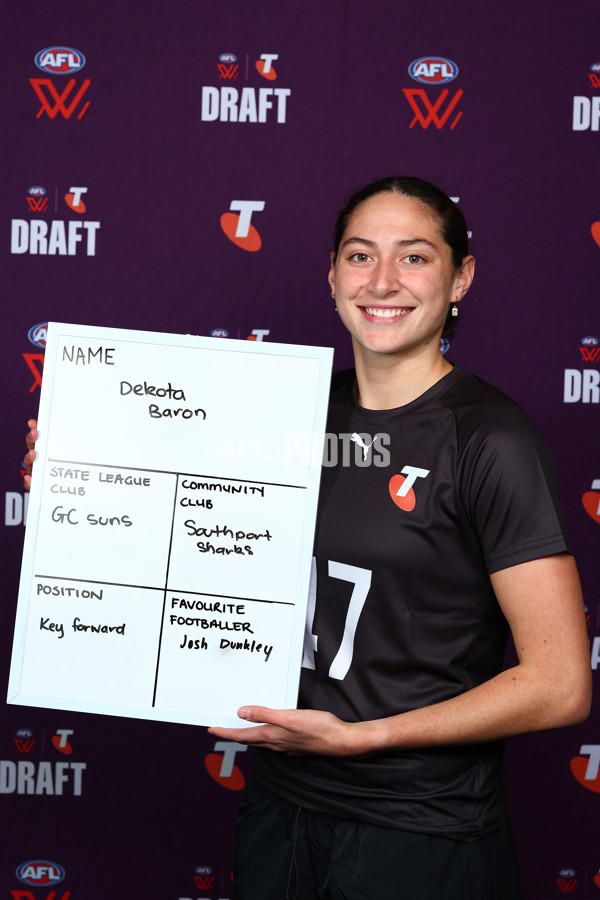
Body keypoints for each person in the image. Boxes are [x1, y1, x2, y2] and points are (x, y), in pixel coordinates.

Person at [24, 177, 591, 900]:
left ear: (461, 277)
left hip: (421, 831)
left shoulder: (488, 438)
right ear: (331, 275)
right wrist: (82, 487)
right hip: (279, 810)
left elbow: (560, 684)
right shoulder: (285, 415)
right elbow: (193, 546)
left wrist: (366, 737)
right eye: (360, 256)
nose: (383, 281)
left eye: (414, 257)